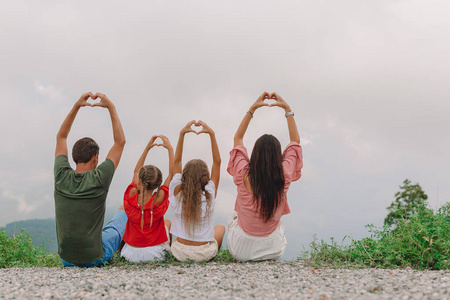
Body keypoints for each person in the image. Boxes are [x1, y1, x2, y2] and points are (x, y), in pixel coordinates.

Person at [227, 92, 303, 262]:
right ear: (278, 155)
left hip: (240, 251)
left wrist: (252, 109)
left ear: (255, 153)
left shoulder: (243, 174)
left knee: (232, 216)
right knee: (279, 226)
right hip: (273, 251)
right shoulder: (284, 175)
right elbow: (295, 142)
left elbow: (237, 138)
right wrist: (287, 109)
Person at [54, 92, 126, 267]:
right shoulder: (100, 177)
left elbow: (61, 137)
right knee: (122, 214)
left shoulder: (61, 174)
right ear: (95, 157)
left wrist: (77, 105)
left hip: (66, 259)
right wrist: (111, 107)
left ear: (73, 157)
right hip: (95, 258)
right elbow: (120, 142)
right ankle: (127, 254)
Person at [169, 120, 225, 262]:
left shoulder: (177, 191)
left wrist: (182, 134)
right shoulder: (210, 193)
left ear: (184, 175)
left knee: (166, 222)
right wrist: (211, 134)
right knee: (220, 228)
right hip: (203, 254)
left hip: (179, 252)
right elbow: (217, 162)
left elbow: (176, 162)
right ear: (206, 177)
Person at [121, 135, 174, 262]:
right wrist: (170, 149)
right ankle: (169, 251)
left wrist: (147, 148)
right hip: (155, 254)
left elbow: (136, 171)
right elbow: (172, 174)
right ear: (158, 185)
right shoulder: (159, 202)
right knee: (167, 222)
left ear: (139, 181)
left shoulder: (131, 199)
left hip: (131, 254)